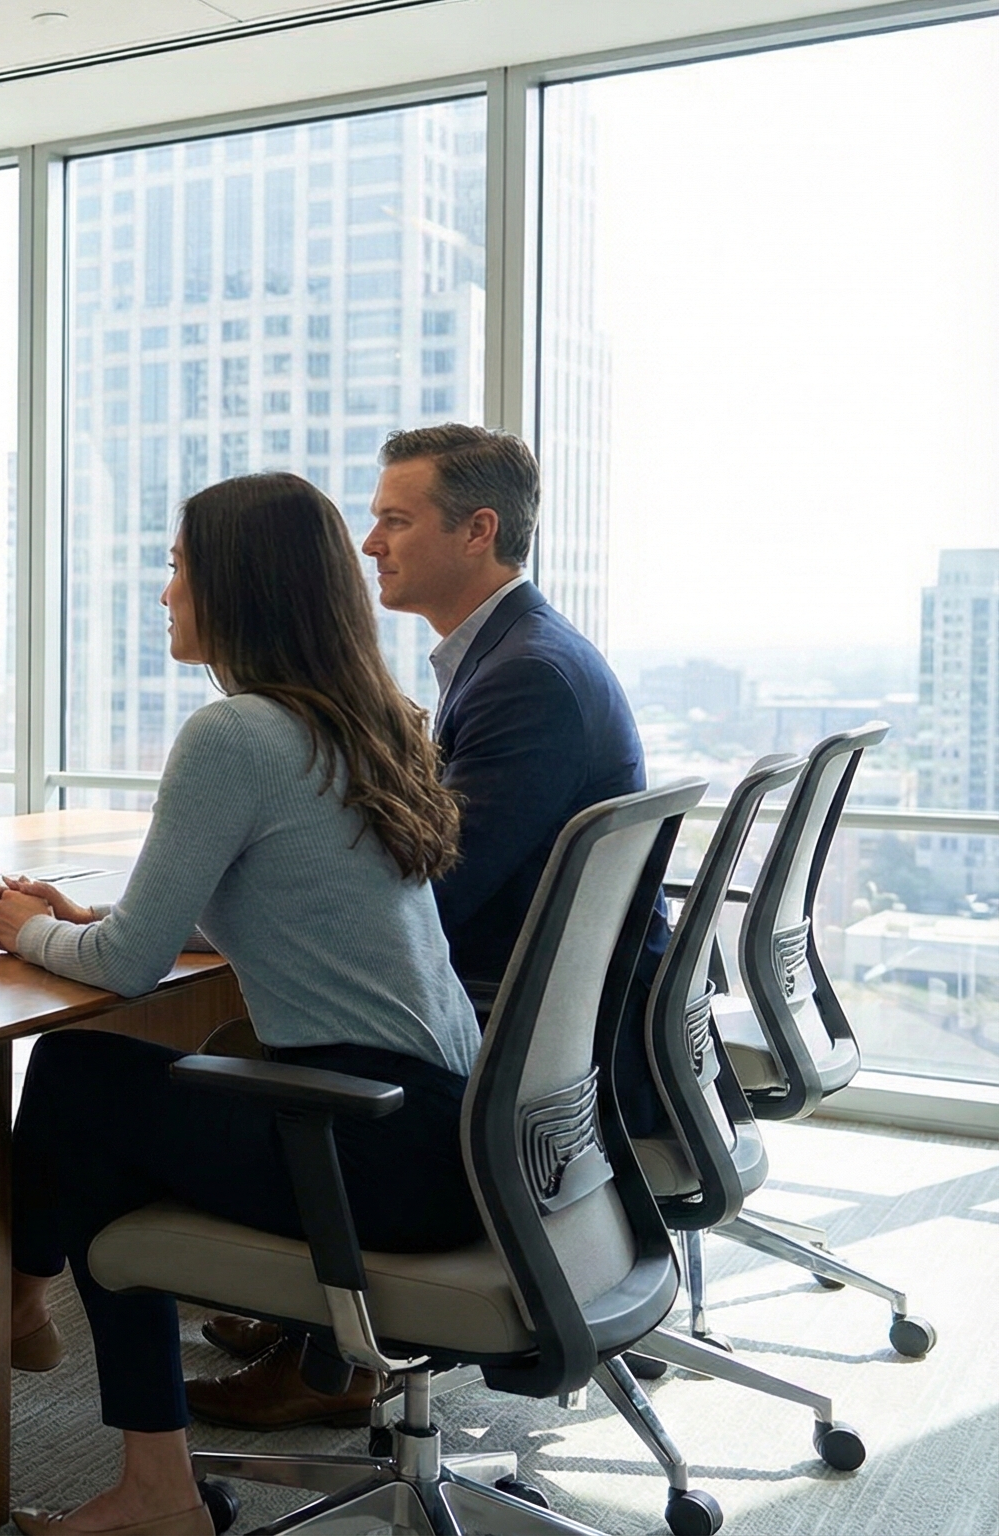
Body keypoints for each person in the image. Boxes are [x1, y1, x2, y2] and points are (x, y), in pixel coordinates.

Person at [0, 472, 484, 1536]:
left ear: (237, 588)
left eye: (176, 567)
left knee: (80, 1081)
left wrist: (25, 929)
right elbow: (280, 903)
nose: (163, 594)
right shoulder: (372, 720)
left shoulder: (235, 734)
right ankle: (59, 1359)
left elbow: (123, 970)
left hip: (371, 1148)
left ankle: (29, 1321)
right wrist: (102, 915)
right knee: (118, 1111)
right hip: (460, 1131)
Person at [184, 423, 665, 1430]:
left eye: (394, 520)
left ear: (477, 531)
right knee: (278, 1037)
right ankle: (317, 1322)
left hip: (525, 1042)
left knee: (271, 1044)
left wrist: (244, 900)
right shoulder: (508, 657)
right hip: (543, 1028)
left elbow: (432, 893)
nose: (369, 546)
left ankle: (333, 1354)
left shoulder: (525, 677)